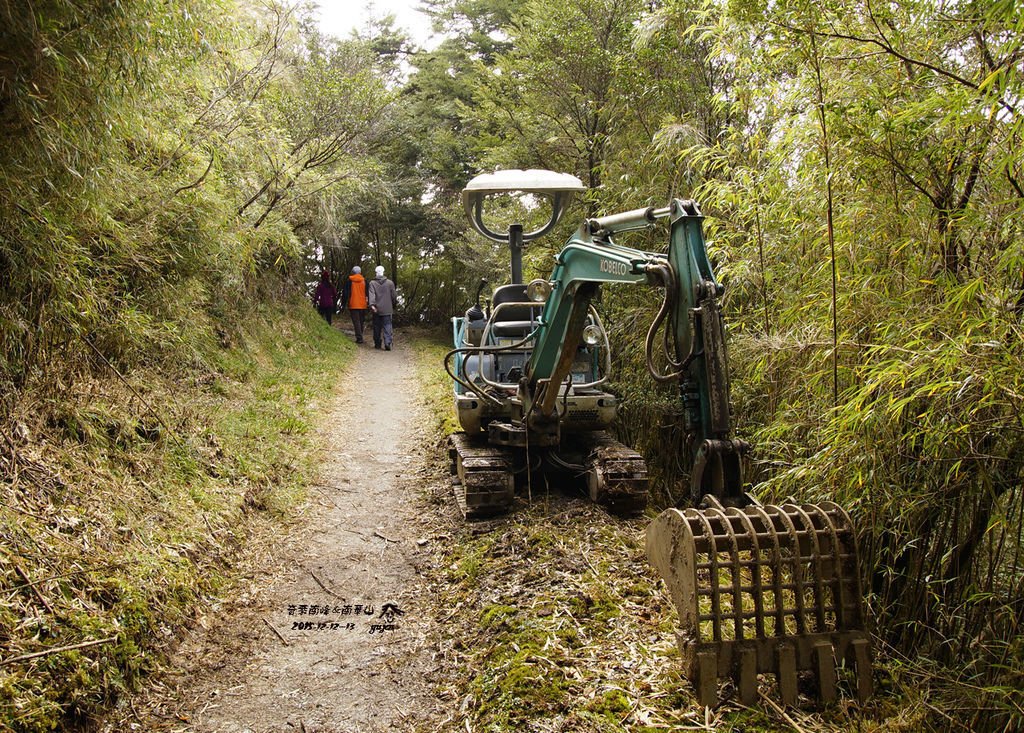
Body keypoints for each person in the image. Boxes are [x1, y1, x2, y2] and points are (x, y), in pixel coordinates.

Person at [367, 264, 397, 350]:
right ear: (383, 272)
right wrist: (393, 304)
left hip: (376, 309)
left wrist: (372, 306)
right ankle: (387, 343)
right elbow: (394, 296)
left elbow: (371, 295)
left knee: (377, 326)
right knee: (387, 326)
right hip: (387, 309)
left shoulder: (372, 283)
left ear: (376, 273)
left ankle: (377, 344)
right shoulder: (390, 283)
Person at [340, 266, 369, 343]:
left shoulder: (349, 281)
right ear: (360, 272)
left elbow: (346, 293)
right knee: (361, 321)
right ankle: (360, 334)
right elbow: (368, 293)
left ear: (353, 272)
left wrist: (344, 303)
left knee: (356, 321)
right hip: (363, 304)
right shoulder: (365, 281)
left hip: (353, 303)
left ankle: (359, 338)